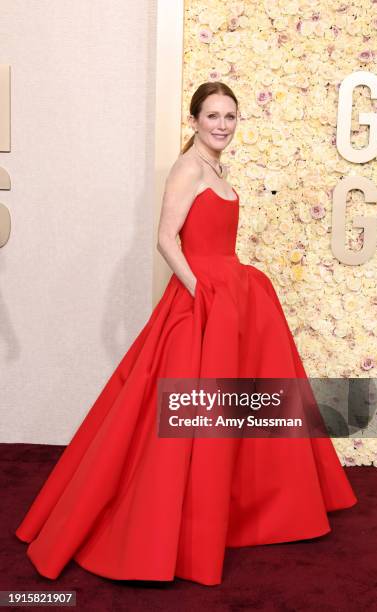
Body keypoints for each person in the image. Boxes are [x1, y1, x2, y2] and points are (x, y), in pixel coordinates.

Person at [15, 81, 357, 586]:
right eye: (213, 116)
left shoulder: (217, 168)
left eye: (230, 116)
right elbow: (164, 238)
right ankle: (157, 528)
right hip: (202, 301)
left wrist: (221, 293)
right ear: (194, 120)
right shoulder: (188, 168)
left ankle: (240, 511)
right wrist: (200, 292)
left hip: (233, 297)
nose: (222, 125)